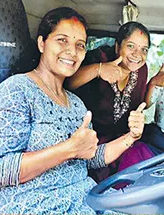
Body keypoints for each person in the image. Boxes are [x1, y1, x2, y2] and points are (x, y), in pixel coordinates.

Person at [0, 7, 145, 214]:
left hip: (86, 198)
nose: (72, 51)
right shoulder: (16, 90)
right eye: (62, 40)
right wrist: (69, 149)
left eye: (80, 45)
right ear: (42, 43)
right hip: (37, 207)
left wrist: (131, 137)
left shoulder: (76, 104)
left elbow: (89, 158)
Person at [66, 21, 155, 181]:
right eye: (131, 46)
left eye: (144, 49)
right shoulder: (98, 57)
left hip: (123, 139)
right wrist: (98, 69)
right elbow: (67, 84)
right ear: (117, 46)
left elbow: (138, 105)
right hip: (91, 139)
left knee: (144, 178)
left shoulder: (141, 69)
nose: (137, 54)